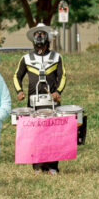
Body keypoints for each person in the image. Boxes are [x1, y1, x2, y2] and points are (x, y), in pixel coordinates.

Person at [12, 23, 67, 175]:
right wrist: (19, 91)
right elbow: (16, 76)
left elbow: (62, 76)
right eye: (37, 35)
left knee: (52, 133)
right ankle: (37, 166)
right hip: (33, 102)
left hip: (52, 102)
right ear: (33, 39)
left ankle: (53, 166)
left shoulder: (56, 57)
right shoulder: (26, 58)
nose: (39, 37)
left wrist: (58, 92)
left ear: (47, 38)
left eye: (42, 34)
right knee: (35, 133)